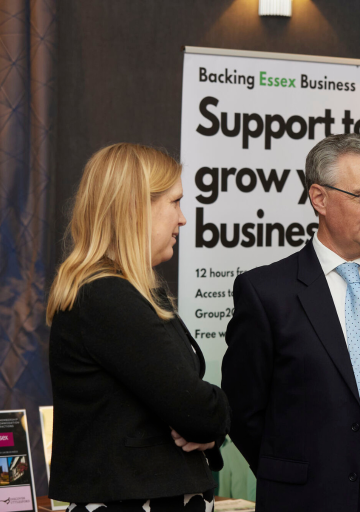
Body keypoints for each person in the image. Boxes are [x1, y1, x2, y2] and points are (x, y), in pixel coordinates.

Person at [222, 133, 360, 512]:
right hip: (308, 497)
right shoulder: (266, 292)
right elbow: (243, 408)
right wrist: (289, 472)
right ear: (319, 198)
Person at [47, 143, 230, 512]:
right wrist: (213, 418)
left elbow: (191, 411)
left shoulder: (128, 294)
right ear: (135, 209)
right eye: (175, 202)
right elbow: (197, 409)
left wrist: (205, 428)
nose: (182, 218)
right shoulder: (106, 298)